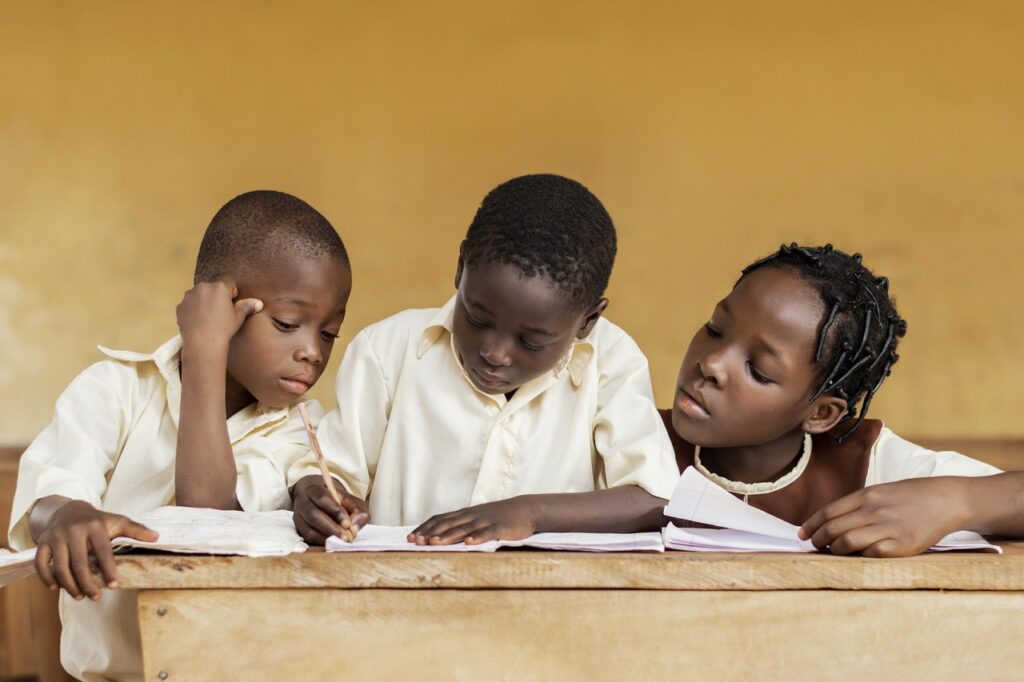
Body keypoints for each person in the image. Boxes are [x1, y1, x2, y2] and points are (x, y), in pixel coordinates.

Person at [8, 190, 352, 680]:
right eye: (289, 324)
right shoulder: (115, 391)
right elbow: (49, 493)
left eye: (328, 333)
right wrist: (65, 512)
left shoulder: (303, 428)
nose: (312, 352)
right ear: (222, 304)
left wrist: (206, 349)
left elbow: (206, 512)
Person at [291, 174, 678, 546]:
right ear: (461, 269)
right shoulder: (387, 350)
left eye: (532, 340)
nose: (494, 353)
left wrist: (530, 513)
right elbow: (330, 473)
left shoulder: (611, 361)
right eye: (476, 319)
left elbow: (653, 498)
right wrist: (318, 496)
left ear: (588, 321)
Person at [665, 242, 1024, 557]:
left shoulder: (871, 466)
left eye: (758, 369)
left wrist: (955, 501)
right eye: (715, 328)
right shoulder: (629, 433)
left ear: (821, 413)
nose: (710, 363)